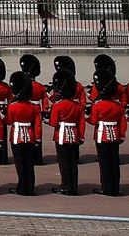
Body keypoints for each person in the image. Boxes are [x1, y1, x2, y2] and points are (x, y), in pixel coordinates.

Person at [88, 68, 126, 196]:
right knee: (114, 162)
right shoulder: (118, 106)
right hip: (115, 135)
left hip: (102, 135)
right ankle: (115, 187)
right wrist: (121, 135)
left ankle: (107, 188)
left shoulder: (98, 105)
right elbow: (123, 123)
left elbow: (93, 121)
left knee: (105, 164)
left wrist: (85, 117)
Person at [6, 71, 41, 196]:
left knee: (20, 164)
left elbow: (9, 121)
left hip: (16, 137)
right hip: (30, 136)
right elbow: (37, 125)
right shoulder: (34, 107)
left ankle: (21, 187)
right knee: (29, 163)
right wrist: (38, 139)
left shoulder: (13, 106)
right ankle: (30, 187)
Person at [49, 70, 83, 196]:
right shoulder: (78, 106)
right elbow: (81, 123)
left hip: (61, 135)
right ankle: (73, 186)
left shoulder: (58, 105)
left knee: (64, 163)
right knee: (73, 163)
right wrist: (81, 137)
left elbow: (53, 123)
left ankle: (65, 186)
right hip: (74, 135)